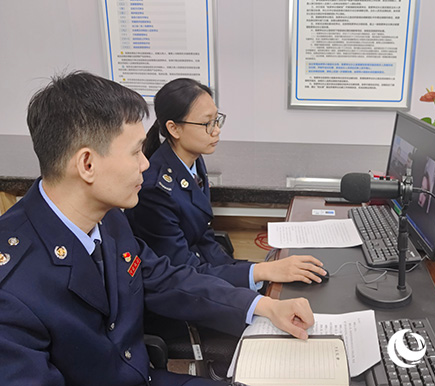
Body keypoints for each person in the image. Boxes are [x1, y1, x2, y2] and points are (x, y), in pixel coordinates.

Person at [0, 72, 314, 386]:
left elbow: (164, 279)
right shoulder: (11, 288)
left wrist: (264, 306)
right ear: (87, 164)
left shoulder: (108, 217)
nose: (146, 164)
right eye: (135, 152)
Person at [125, 78, 326, 290]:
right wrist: (259, 272)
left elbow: (202, 236)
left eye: (216, 120)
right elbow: (183, 272)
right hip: (180, 289)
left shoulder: (192, 160)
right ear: (174, 129)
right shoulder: (155, 191)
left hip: (202, 270)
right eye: (207, 123)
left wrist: (248, 271)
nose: (216, 130)